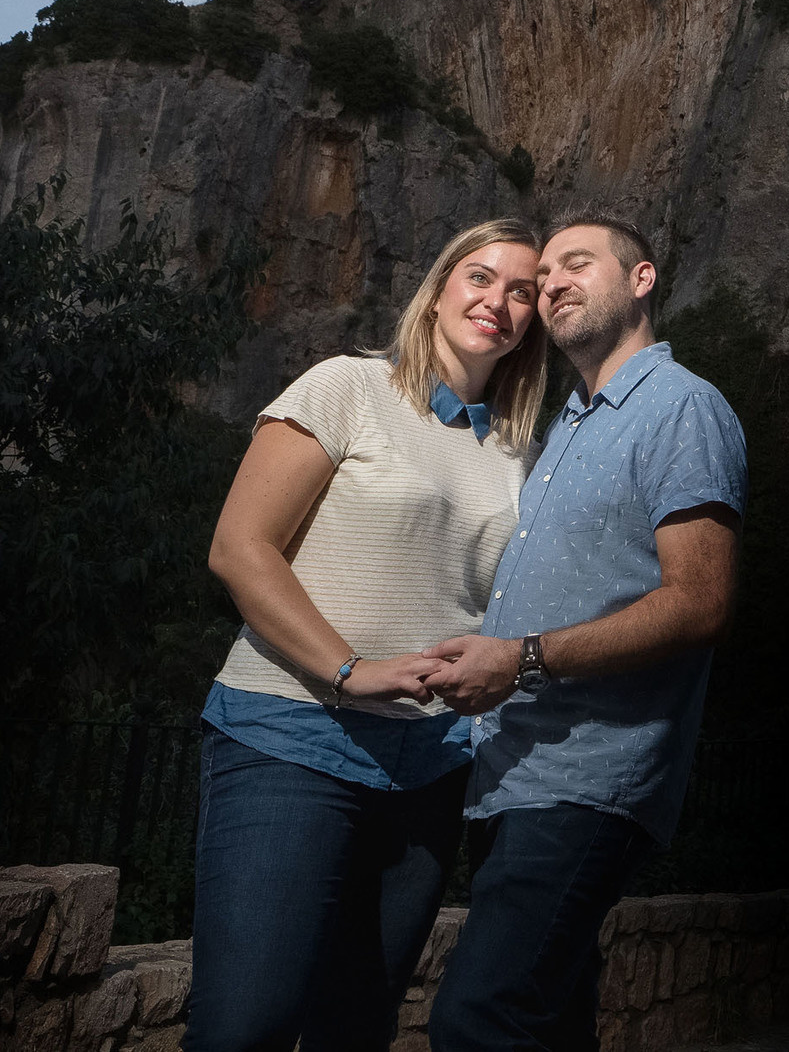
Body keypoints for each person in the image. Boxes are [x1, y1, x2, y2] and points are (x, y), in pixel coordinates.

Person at [188, 220, 548, 1052]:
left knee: (356, 1028)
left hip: (430, 767)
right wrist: (353, 671)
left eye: (521, 290)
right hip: (292, 734)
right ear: (439, 286)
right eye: (480, 275)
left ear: (532, 319)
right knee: (245, 1025)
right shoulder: (346, 386)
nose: (498, 300)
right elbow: (240, 547)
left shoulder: (518, 450)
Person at [422, 211, 748, 1052]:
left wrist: (523, 658)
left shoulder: (683, 408)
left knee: (476, 1017)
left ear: (641, 280)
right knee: (548, 1022)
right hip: (509, 772)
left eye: (577, 263)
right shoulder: (567, 425)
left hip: (588, 776)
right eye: (546, 276)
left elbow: (701, 601)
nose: (554, 281)